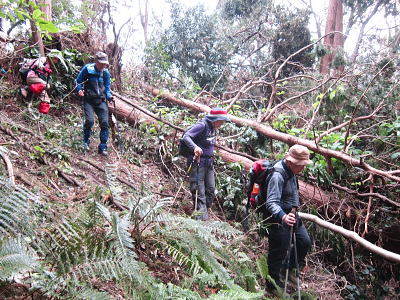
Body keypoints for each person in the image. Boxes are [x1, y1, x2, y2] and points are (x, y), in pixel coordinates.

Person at [264, 144, 312, 294]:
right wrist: (283, 217)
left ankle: (287, 270)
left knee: (304, 242)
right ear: (290, 161)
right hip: (279, 218)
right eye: (300, 164)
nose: (302, 168)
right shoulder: (278, 175)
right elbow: (271, 202)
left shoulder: (291, 171)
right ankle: (272, 286)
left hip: (292, 214)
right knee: (278, 251)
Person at [181, 108, 230, 221]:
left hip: (209, 163)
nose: (222, 123)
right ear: (215, 119)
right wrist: (195, 147)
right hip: (198, 162)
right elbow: (186, 137)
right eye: (221, 121)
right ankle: (201, 221)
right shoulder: (202, 125)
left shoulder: (213, 128)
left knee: (211, 191)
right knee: (199, 192)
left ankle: (201, 213)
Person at [75, 51, 113, 156]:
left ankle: (103, 147)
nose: (103, 65)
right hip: (88, 100)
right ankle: (85, 142)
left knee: (105, 123)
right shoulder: (87, 69)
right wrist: (79, 90)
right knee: (90, 121)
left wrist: (109, 97)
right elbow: (78, 81)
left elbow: (107, 88)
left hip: (101, 101)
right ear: (96, 61)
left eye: (104, 63)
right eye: (101, 63)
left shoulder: (106, 73)